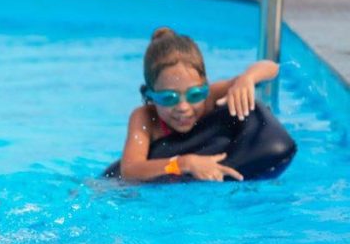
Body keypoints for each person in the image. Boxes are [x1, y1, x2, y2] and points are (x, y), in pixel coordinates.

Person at [118, 27, 280, 183]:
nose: (183, 107)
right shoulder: (145, 118)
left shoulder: (211, 97)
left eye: (195, 95)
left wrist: (247, 78)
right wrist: (184, 164)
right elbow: (130, 170)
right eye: (169, 98)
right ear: (150, 96)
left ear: (205, 87)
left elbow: (272, 68)